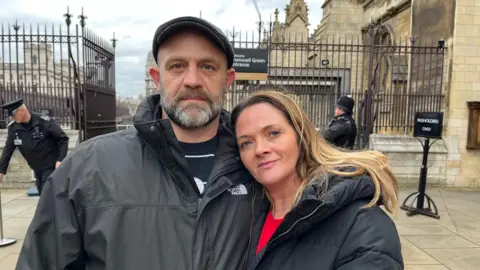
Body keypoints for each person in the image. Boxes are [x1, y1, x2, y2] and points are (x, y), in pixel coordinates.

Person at [16, 16, 263, 269]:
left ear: (228, 80)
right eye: (177, 66)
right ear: (156, 78)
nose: (192, 80)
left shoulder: (265, 165)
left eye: (207, 67)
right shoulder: (87, 167)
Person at [231, 90, 403, 269]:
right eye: (246, 143)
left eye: (273, 133)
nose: (260, 149)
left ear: (301, 135)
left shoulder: (364, 225)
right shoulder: (241, 215)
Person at [0, 99, 69, 194]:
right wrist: (1, 171)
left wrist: (60, 160)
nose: (12, 118)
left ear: (22, 110)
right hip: (37, 169)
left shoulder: (44, 122)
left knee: (47, 195)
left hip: (51, 167)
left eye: (13, 115)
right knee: (43, 194)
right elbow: (8, 149)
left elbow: (63, 139)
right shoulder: (13, 128)